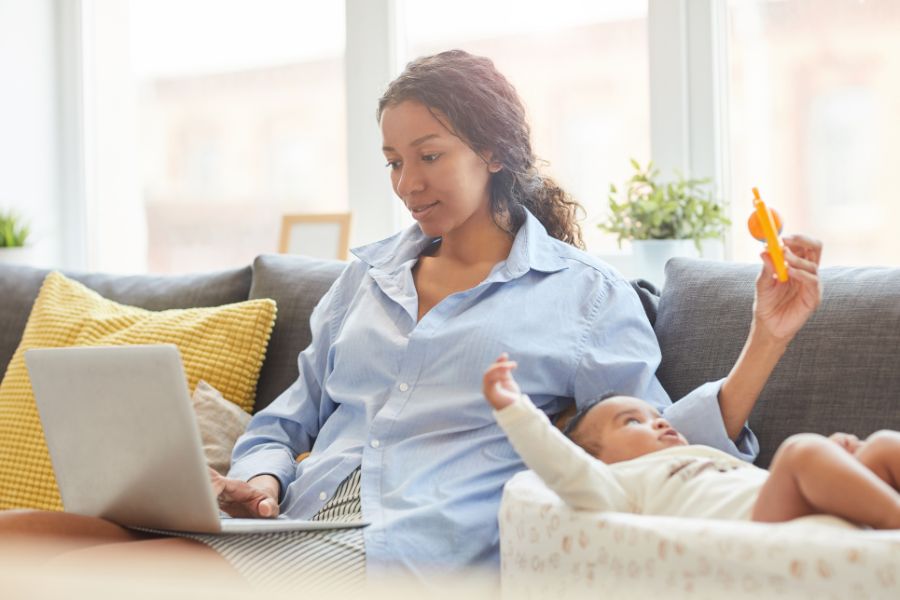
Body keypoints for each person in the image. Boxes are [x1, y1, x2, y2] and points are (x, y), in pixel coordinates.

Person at [0, 49, 823, 586]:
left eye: (430, 155)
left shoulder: (584, 295)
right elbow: (287, 418)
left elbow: (641, 453)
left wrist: (763, 343)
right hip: (290, 526)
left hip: (415, 550)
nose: (407, 181)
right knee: (25, 534)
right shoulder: (366, 279)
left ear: (493, 153)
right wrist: (257, 479)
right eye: (395, 161)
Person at [482, 357, 900, 529]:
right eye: (633, 422)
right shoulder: (621, 486)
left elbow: (773, 482)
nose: (659, 424)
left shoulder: (703, 456)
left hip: (796, 505)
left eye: (657, 417)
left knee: (880, 446)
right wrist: (515, 410)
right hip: (758, 533)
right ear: (598, 461)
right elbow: (563, 467)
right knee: (801, 452)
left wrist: (842, 461)